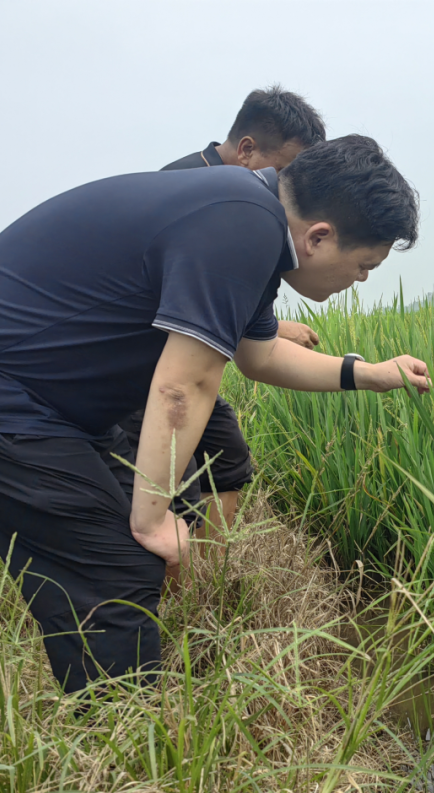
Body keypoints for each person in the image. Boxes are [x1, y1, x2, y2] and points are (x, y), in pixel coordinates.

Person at [0, 134, 428, 694]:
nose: (362, 279)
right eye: (364, 264)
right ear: (320, 237)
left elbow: (260, 356)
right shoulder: (244, 224)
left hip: (30, 394)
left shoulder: (249, 216)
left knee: (145, 537)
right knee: (119, 569)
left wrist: (367, 373)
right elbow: (185, 385)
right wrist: (151, 519)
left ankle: (127, 674)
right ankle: (121, 754)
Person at [122, 86, 326, 541]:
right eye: (287, 173)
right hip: (139, 367)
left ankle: (209, 579)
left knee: (229, 459)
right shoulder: (194, 188)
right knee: (177, 488)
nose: (293, 190)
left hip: (176, 358)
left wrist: (274, 329)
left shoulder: (247, 210)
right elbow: (184, 311)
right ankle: (177, 594)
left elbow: (221, 304)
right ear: (248, 151)